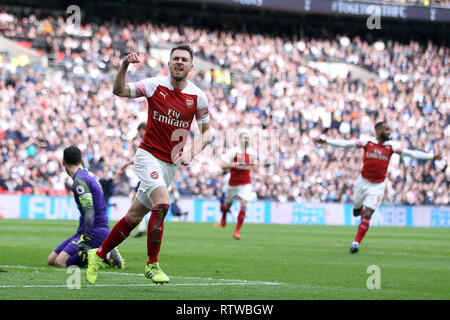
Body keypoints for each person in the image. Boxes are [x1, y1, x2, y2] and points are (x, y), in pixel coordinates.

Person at [86, 44, 212, 284]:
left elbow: (207, 132)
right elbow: (119, 90)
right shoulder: (155, 85)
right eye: (175, 58)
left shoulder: (198, 97)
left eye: (184, 59)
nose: (179, 62)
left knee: (133, 217)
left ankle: (99, 253)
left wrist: (191, 153)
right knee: (163, 203)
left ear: (191, 66)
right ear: (169, 63)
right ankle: (152, 265)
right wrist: (124, 65)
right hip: (147, 156)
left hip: (169, 166)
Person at [313, 121, 443, 254]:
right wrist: (326, 141)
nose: (389, 132)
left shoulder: (391, 146)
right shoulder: (367, 142)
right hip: (362, 182)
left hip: (378, 186)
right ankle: (360, 211)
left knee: (368, 214)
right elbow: (347, 144)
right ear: (378, 130)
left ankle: (355, 243)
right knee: (356, 212)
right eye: (386, 129)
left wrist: (431, 157)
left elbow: (411, 153)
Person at [47, 146, 124, 269]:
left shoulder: (80, 181)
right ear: (81, 161)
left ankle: (104, 254)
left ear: (63, 162)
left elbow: (89, 211)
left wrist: (87, 239)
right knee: (51, 260)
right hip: (85, 230)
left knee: (60, 262)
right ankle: (103, 251)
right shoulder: (86, 174)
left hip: (95, 230)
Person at [214, 130, 258, 240]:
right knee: (227, 205)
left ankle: (237, 230)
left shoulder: (252, 153)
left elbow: (255, 168)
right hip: (233, 183)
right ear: (240, 140)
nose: (247, 140)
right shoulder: (233, 152)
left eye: (248, 139)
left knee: (243, 204)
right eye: (245, 138)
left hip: (246, 183)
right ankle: (224, 217)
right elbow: (222, 165)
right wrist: (232, 165)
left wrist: (253, 164)